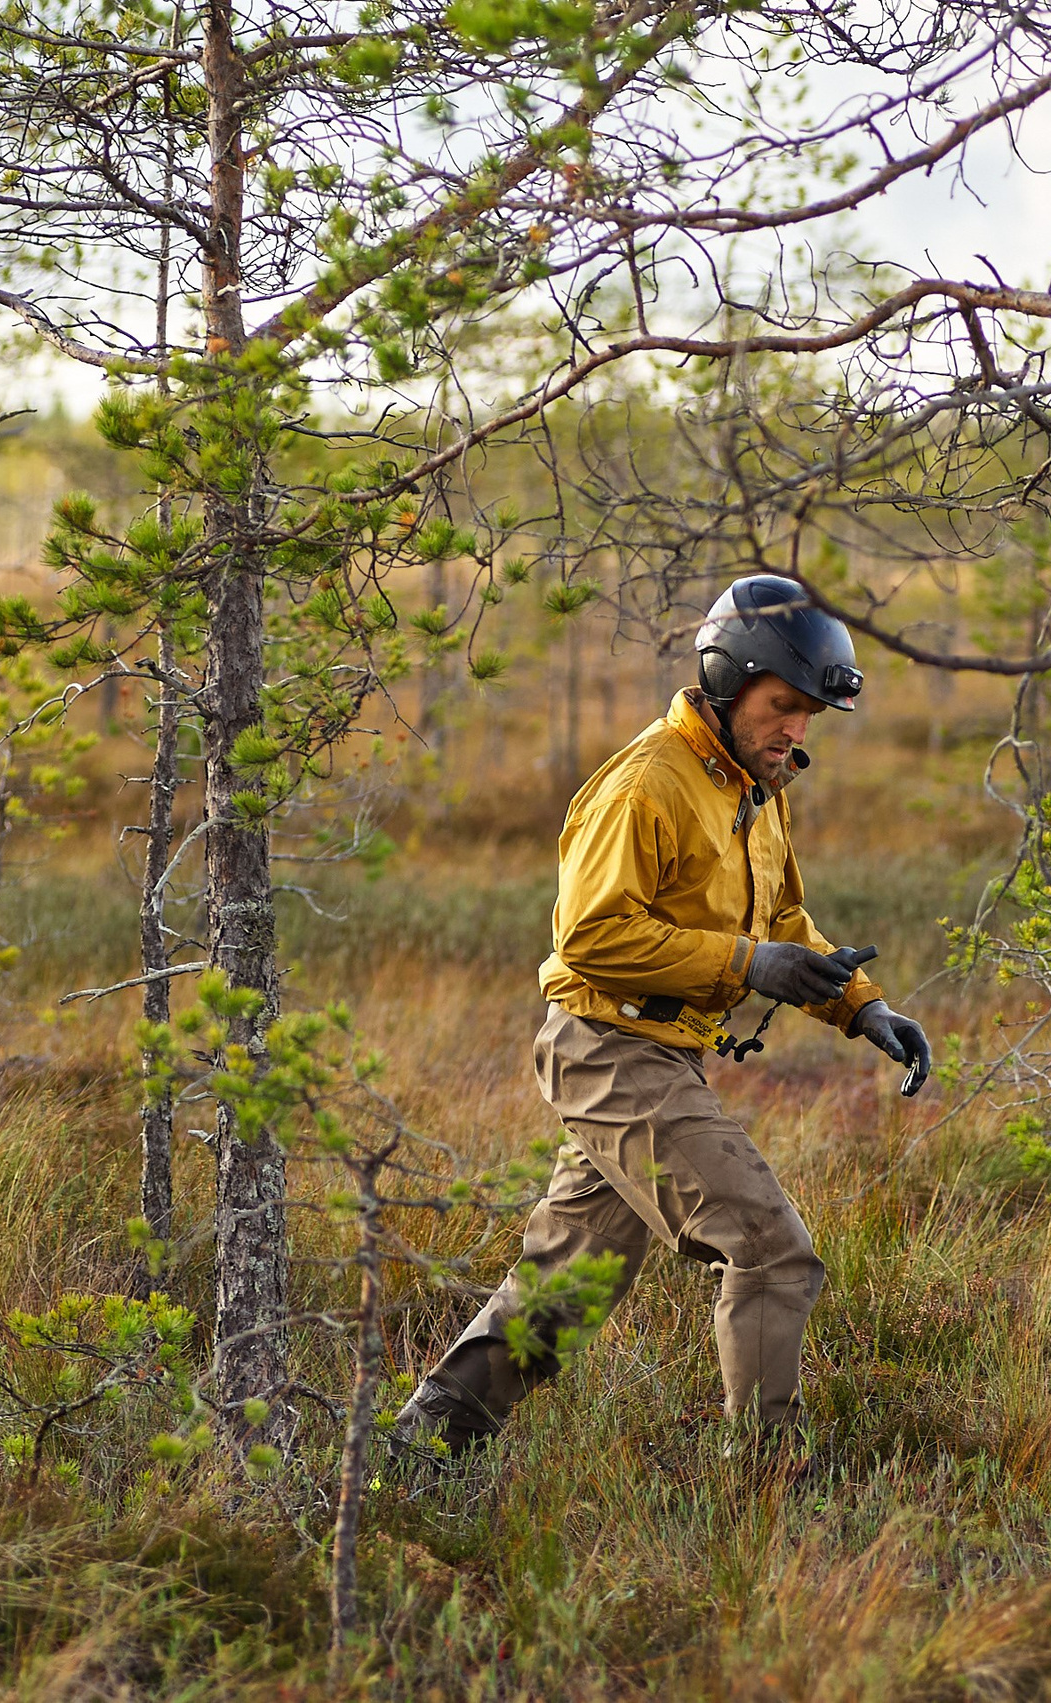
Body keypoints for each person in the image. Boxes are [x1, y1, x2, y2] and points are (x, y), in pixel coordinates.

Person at [391, 574, 935, 1456]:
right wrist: (749, 964)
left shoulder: (756, 786)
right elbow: (588, 936)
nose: (796, 731)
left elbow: (781, 920)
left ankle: (419, 1450)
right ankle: (767, 1474)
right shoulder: (646, 784)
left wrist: (863, 1007)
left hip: (663, 1051)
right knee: (769, 1247)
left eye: (809, 715)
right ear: (727, 678)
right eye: (782, 706)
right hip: (608, 1049)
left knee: (567, 1288)